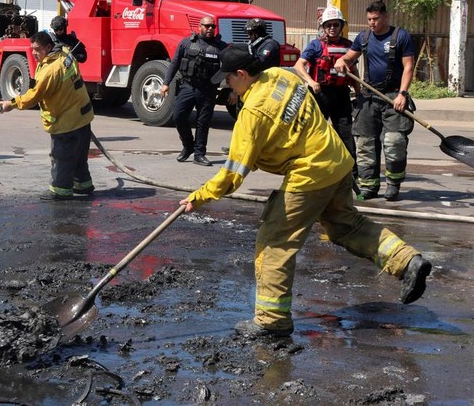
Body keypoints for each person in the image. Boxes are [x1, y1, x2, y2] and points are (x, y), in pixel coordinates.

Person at [180, 45, 431, 338]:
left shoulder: (252, 113)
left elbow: (233, 175)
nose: (227, 85)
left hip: (309, 175)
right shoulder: (279, 75)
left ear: (241, 74)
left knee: (275, 242)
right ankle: (407, 260)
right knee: (347, 226)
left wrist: (198, 197)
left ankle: (271, 319)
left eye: (229, 80)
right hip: (336, 161)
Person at [0, 31, 94, 201]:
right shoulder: (64, 52)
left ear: (48, 47)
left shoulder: (50, 70)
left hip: (66, 121)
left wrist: (10, 104)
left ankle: (60, 190)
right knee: (78, 156)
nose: (34, 53)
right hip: (82, 116)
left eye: (38, 50)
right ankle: (83, 185)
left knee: (62, 157)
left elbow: (34, 95)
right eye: (32, 49)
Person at [334, 1, 416, 202]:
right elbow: (349, 58)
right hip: (369, 98)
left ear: (385, 17)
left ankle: (394, 185)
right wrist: (341, 61)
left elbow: (408, 67)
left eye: (376, 19)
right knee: (365, 144)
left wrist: (402, 94)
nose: (372, 23)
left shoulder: (401, 37)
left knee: (394, 141)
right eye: (369, 19)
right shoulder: (363, 37)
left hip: (393, 96)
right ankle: (369, 186)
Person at [294, 6, 358, 170]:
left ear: (341, 26)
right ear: (323, 27)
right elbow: (298, 65)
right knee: (315, 133)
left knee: (345, 133)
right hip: (319, 94)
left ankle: (350, 170)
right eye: (328, 25)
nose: (332, 28)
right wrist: (310, 81)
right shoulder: (315, 45)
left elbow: (354, 71)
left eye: (335, 25)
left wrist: (359, 92)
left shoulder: (350, 46)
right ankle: (314, 167)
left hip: (342, 95)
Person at [161, 16, 227, 166]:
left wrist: (233, 91)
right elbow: (175, 63)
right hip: (188, 86)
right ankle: (188, 145)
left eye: (213, 27)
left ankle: (199, 154)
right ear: (200, 26)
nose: (210, 29)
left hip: (208, 90)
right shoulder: (187, 43)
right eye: (207, 26)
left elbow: (230, 68)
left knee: (203, 123)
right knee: (178, 116)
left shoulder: (221, 47)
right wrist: (166, 83)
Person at [223, 17, 281, 134]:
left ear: (257, 32)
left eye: (250, 33)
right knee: (242, 115)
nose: (248, 36)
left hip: (264, 87)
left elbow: (259, 62)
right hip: (250, 86)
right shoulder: (252, 44)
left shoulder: (269, 44)